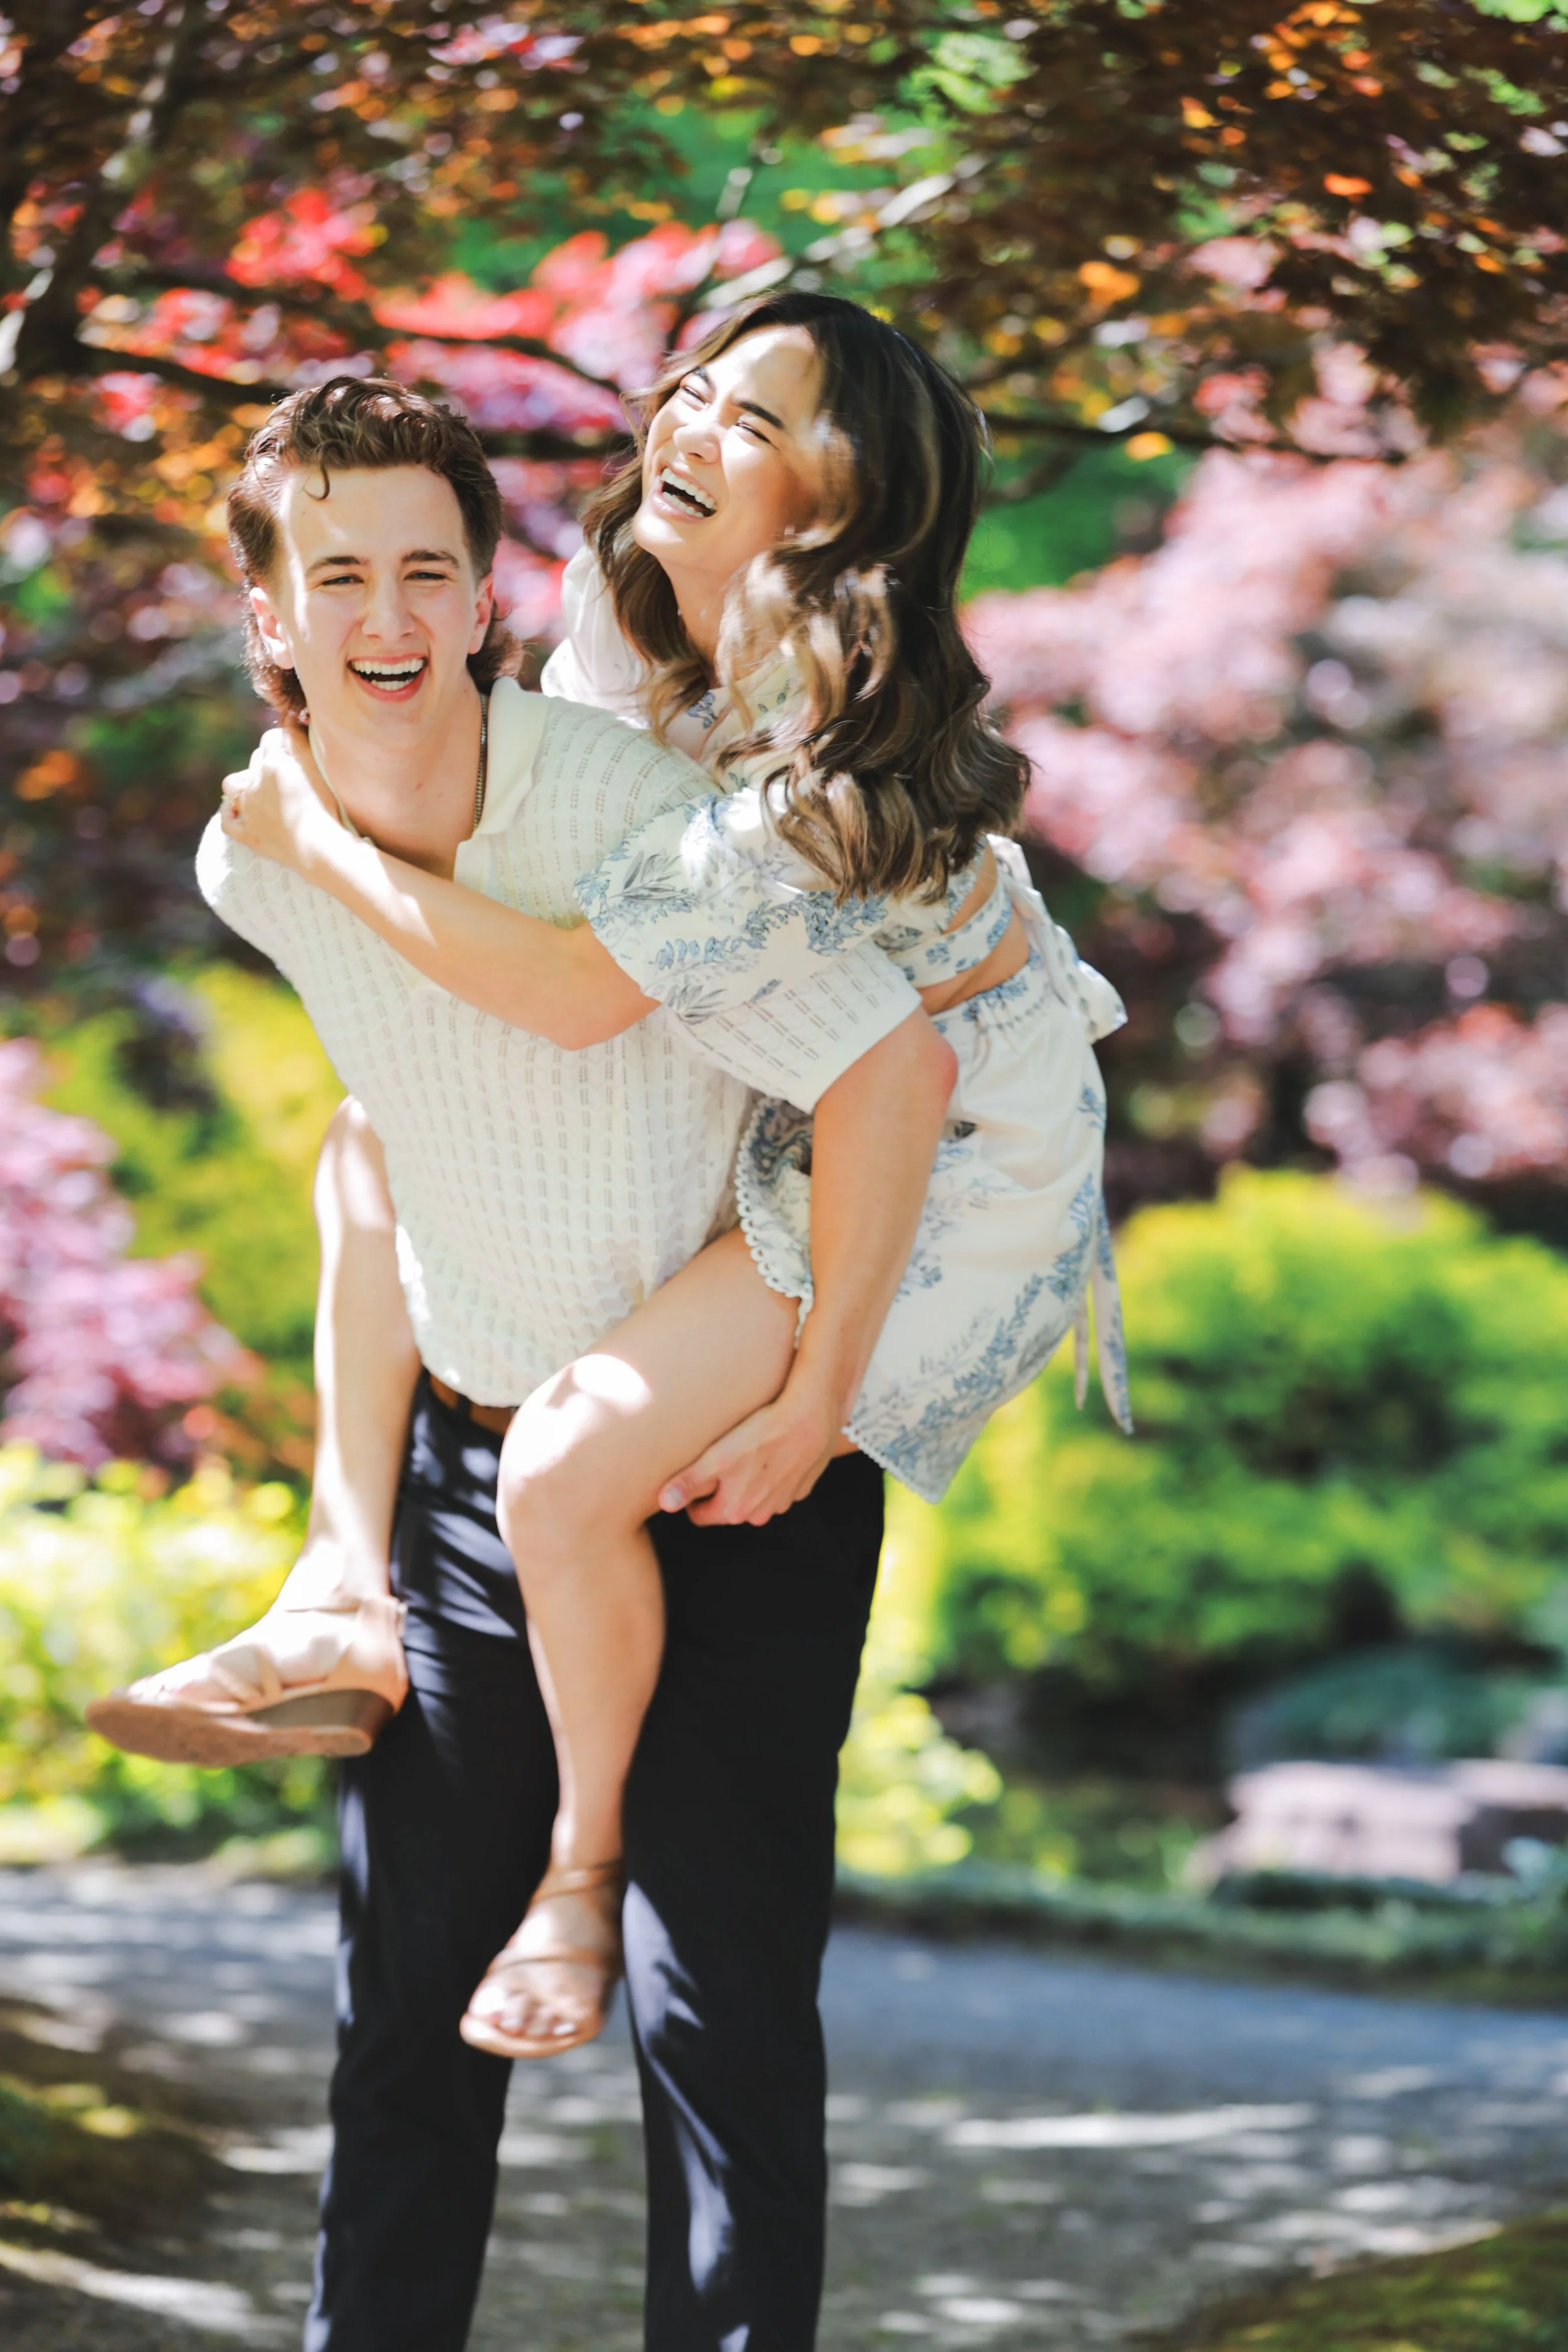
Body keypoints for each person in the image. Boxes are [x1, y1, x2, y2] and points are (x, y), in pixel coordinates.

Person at [90, 363, 955, 2352]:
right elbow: (380, 1152)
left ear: (489, 595)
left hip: (735, 1486)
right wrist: (350, 1538)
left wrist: (821, 1392)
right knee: (400, 2023)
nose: (384, 620)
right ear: (270, 619)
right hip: (478, 1502)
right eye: (338, 579)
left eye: (425, 572)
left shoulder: (632, 816)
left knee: (714, 2020)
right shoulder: (250, 869)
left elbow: (872, 1065)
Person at [191, 294, 1128, 2072]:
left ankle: (581, 1867)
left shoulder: (818, 774)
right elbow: (555, 909)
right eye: (688, 386)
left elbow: (599, 995)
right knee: (374, 1130)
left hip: (941, 1188)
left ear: (844, 498)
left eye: (749, 416)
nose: (683, 422)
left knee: (557, 1471)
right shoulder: (627, 636)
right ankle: (333, 1567)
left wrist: (816, 1401)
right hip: (792, 1115)